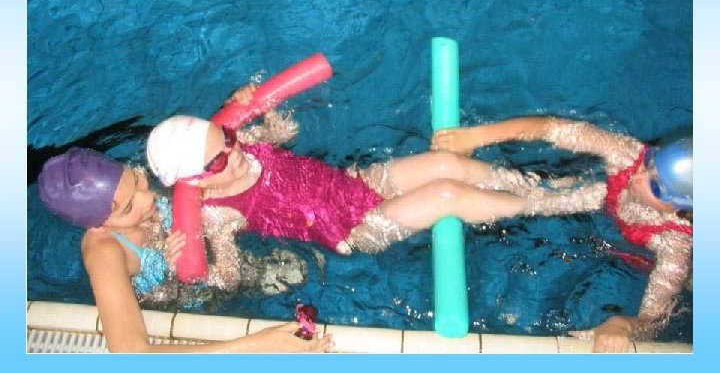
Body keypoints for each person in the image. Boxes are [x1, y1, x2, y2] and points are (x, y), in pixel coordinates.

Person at [146, 84, 529, 258]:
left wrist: (260, 107)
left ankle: (539, 184)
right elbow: (228, 278)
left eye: (228, 138)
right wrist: (179, 258)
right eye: (218, 160)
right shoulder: (215, 214)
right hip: (357, 227)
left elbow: (285, 132)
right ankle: (550, 203)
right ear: (193, 181)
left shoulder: (238, 144)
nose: (233, 152)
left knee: (446, 164)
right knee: (446, 193)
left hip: (355, 184)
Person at [431, 115, 692, 353]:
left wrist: (621, 325)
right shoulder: (629, 156)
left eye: (655, 187)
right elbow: (550, 127)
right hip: (602, 204)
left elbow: (653, 319)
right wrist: (476, 136)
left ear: (681, 208)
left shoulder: (675, 244)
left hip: (633, 262)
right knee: (552, 191)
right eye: (651, 162)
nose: (638, 177)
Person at [37, 147, 334, 353]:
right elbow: (130, 353)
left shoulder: (140, 192)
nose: (148, 197)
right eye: (128, 207)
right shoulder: (104, 251)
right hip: (186, 300)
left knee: (302, 268)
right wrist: (254, 346)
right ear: (98, 225)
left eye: (136, 179)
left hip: (215, 256)